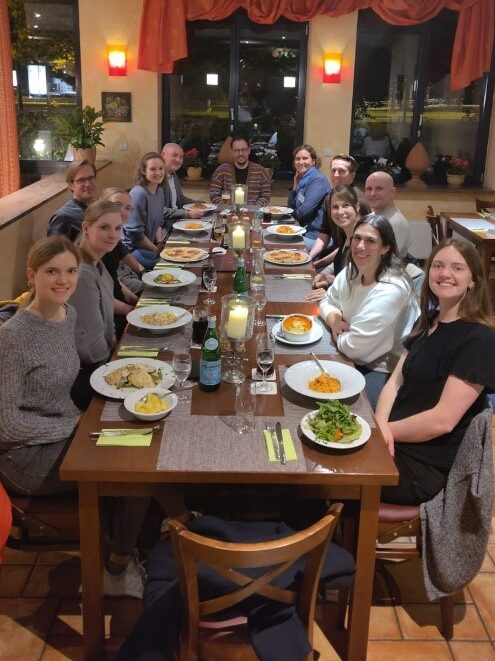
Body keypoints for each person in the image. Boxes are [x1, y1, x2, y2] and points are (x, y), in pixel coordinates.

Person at [376, 238, 495, 505]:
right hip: (392, 440)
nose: (445, 274)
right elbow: (395, 381)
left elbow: (443, 421)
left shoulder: (479, 340)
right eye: (438, 265)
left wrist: (382, 432)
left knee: (328, 475)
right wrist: (379, 427)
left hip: (423, 466)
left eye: (457, 268)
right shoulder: (428, 320)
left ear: (473, 280)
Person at [0, 236, 81, 496]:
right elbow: (7, 425)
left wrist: (77, 423)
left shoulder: (68, 314)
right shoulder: (14, 335)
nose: (63, 280)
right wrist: (74, 425)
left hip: (67, 428)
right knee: (120, 469)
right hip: (25, 456)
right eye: (52, 271)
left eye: (70, 271)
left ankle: (173, 523)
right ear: (31, 275)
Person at [320, 215, 419, 409]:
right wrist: (334, 320)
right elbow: (327, 300)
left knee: (336, 409)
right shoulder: (353, 270)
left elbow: (356, 350)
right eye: (357, 238)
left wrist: (340, 331)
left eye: (370, 241)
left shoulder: (391, 289)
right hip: (353, 353)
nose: (360, 247)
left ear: (386, 248)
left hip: (385, 370)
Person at [69, 200, 122, 410]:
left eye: (117, 228)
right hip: (84, 377)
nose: (113, 235)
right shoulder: (82, 273)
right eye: (104, 227)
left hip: (100, 360)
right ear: (86, 228)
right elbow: (91, 348)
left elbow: (106, 318)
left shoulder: (96, 262)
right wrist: (119, 359)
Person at [99, 188, 143, 337]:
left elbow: (113, 280)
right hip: (109, 320)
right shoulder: (93, 253)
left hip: (120, 304)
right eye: (117, 205)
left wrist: (136, 300)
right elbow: (102, 301)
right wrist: (131, 310)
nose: (123, 212)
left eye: (128, 208)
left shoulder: (113, 238)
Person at [307, 186, 360, 301]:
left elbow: (361, 288)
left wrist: (329, 294)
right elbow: (347, 278)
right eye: (335, 207)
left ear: (357, 207)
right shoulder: (345, 234)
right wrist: (327, 279)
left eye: (346, 205)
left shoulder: (361, 242)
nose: (340, 212)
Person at [121, 152, 166, 270]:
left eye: (161, 168)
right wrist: (157, 251)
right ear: (144, 171)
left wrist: (160, 243)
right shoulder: (139, 193)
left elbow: (159, 222)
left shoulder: (160, 191)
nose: (158, 173)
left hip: (148, 247)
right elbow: (136, 235)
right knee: (168, 265)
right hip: (132, 252)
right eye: (153, 169)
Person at [288, 144, 331, 250]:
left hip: (315, 237)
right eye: (297, 159)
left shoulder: (317, 180)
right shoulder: (303, 178)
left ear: (313, 161)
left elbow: (303, 212)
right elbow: (291, 206)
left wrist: (292, 213)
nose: (301, 162)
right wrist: (294, 186)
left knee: (278, 244)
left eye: (305, 158)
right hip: (303, 230)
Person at [209, 135, 271, 208]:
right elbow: (214, 193)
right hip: (228, 214)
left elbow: (266, 194)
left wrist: (255, 208)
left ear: (249, 151)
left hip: (252, 215)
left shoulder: (260, 171)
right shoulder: (222, 170)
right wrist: (224, 206)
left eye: (244, 150)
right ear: (232, 152)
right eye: (237, 150)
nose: (241, 154)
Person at [364, 171, 410, 258]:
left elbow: (387, 260)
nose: (372, 194)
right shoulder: (369, 218)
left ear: (392, 192)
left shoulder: (396, 223)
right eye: (369, 189)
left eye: (379, 188)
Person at [47, 160, 97, 240]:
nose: (88, 184)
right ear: (71, 185)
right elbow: (56, 251)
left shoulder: (97, 209)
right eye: (81, 180)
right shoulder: (63, 218)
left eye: (91, 178)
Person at [161, 143, 204, 224]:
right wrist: (186, 213)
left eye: (181, 157)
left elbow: (180, 199)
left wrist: (198, 204)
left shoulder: (173, 175)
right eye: (174, 155)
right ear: (163, 155)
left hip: (176, 222)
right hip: (163, 228)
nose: (178, 160)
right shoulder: (156, 178)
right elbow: (159, 210)